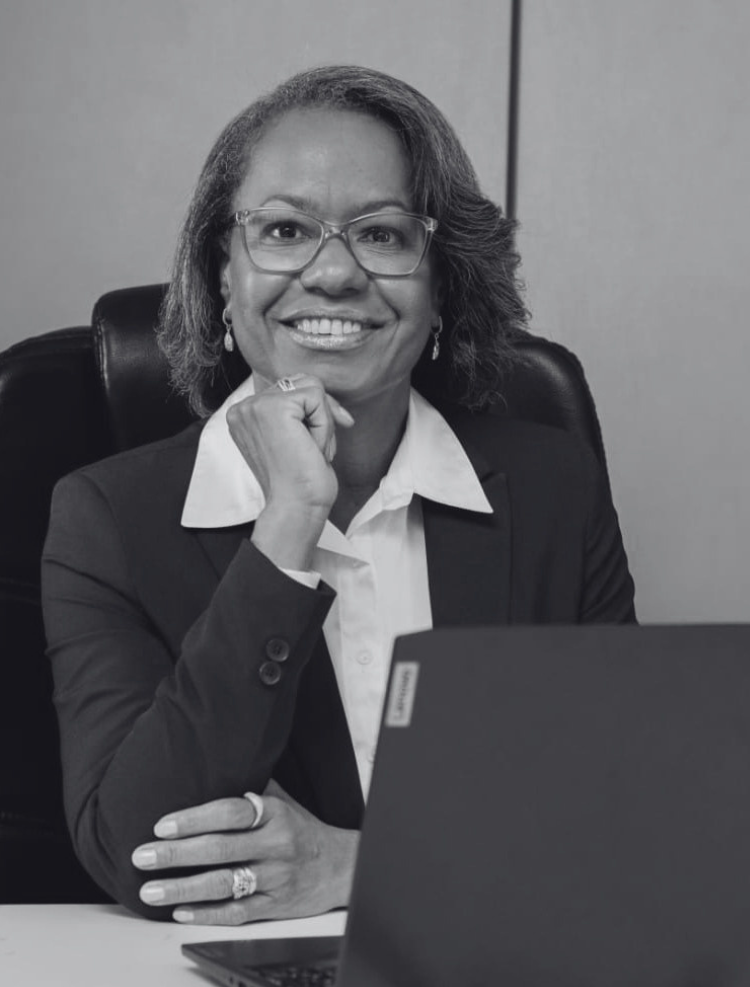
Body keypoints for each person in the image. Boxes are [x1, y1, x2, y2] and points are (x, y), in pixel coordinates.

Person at [41, 65, 636, 925]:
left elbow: (617, 813)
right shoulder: (107, 521)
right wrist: (287, 529)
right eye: (284, 230)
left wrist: (355, 868)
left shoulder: (552, 490)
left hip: (493, 979)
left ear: (443, 286)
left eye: (384, 236)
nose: (333, 275)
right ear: (223, 275)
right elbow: (142, 855)